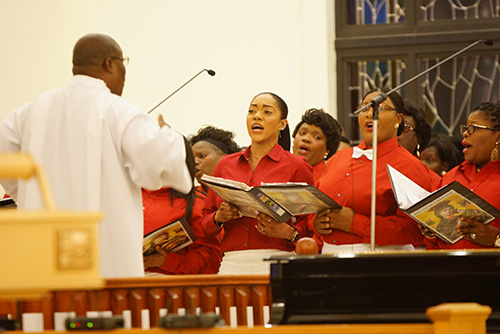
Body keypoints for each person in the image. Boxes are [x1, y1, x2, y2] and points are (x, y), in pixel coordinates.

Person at [0, 33, 192, 278]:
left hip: (46, 244)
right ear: (110, 63)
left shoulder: (27, 113)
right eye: (124, 63)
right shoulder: (119, 111)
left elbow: (7, 165)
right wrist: (169, 135)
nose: (125, 73)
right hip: (106, 248)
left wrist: (31, 195)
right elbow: (164, 162)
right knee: (103, 314)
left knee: (50, 313)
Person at [313, 88, 440, 253]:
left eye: (380, 108)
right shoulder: (339, 158)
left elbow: (414, 230)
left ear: (398, 119)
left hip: (381, 256)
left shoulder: (409, 166)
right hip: (330, 254)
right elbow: (315, 205)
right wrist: (318, 222)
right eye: (364, 107)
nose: (369, 113)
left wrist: (355, 223)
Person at [201, 92, 314, 274]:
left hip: (278, 258)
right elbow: (205, 222)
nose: (257, 116)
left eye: (267, 112)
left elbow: (310, 222)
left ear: (282, 124)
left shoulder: (297, 166)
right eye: (252, 111)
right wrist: (219, 217)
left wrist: (287, 232)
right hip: (232, 262)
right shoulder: (226, 164)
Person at [422, 101, 500, 249]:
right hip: (448, 268)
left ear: (497, 136)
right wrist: (430, 231)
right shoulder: (452, 176)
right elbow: (435, 243)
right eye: (465, 128)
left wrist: (496, 238)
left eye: (473, 128)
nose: (465, 133)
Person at [142, 139, 221, 275]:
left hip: (170, 283)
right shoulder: (128, 194)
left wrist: (165, 261)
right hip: (118, 278)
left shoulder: (197, 203)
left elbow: (211, 259)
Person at [292, 108, 342, 181]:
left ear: (327, 150)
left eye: (317, 137)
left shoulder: (331, 180)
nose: (306, 139)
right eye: (302, 133)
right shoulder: (280, 172)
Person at [189, 125, 240, 195]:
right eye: (192, 158)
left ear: (225, 159)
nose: (195, 162)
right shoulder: (189, 199)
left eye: (202, 156)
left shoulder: (242, 194)